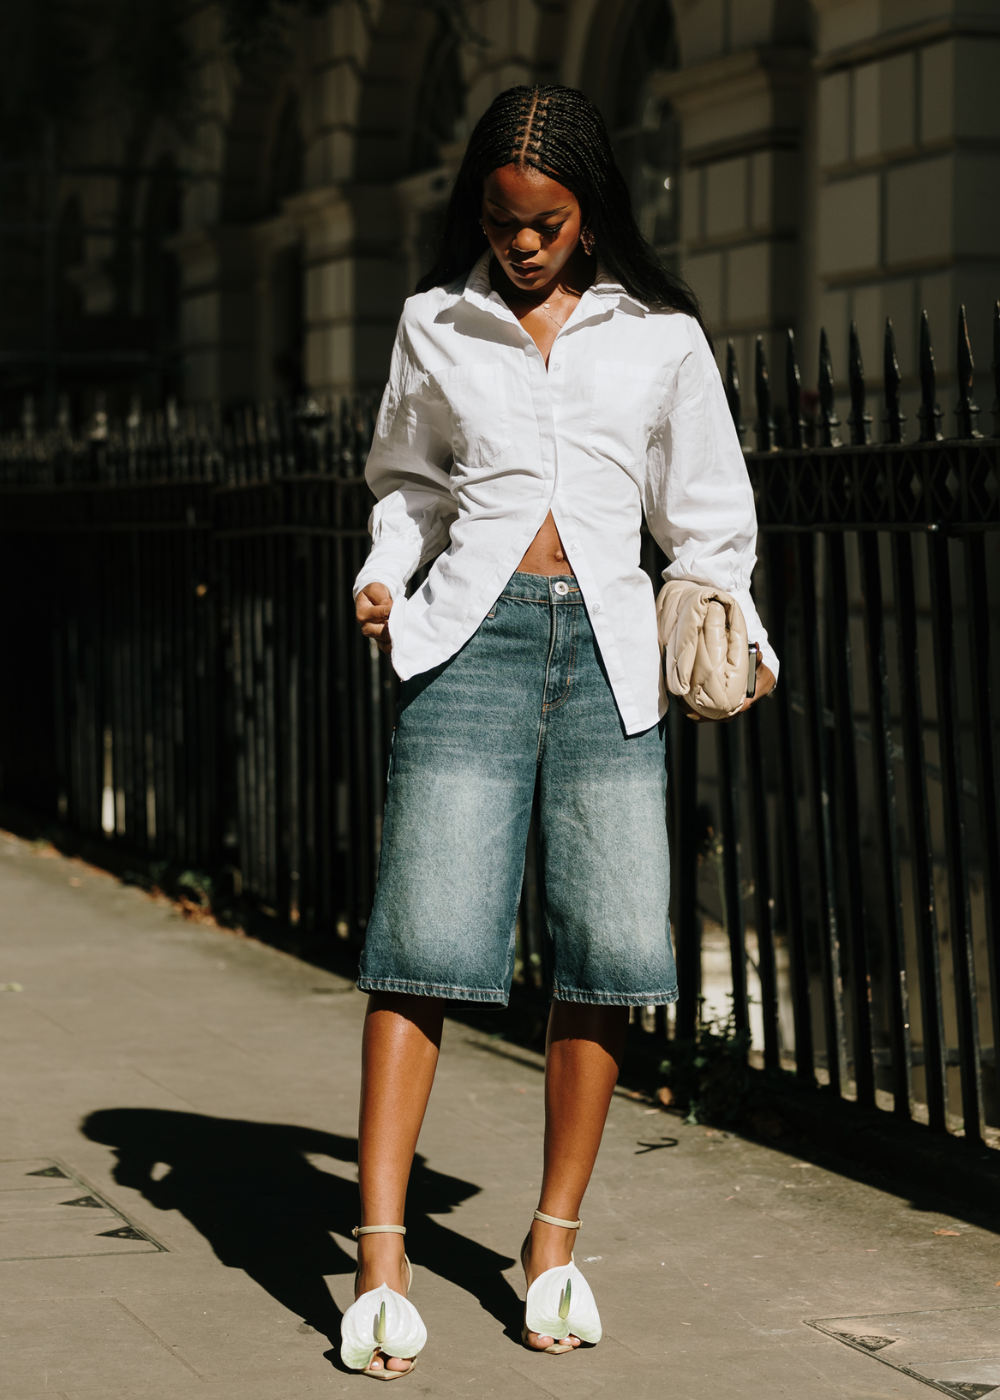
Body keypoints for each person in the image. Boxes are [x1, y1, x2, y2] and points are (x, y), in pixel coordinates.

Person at [342, 83, 778, 1379]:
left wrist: (728, 615)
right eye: (499, 218)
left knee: (608, 947)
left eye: (543, 221)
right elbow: (407, 484)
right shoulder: (438, 321)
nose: (520, 243)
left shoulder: (663, 339)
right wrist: (382, 569)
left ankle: (553, 1241)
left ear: (590, 214)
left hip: (609, 662)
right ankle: (378, 1254)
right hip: (467, 644)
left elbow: (709, 516)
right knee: (422, 940)